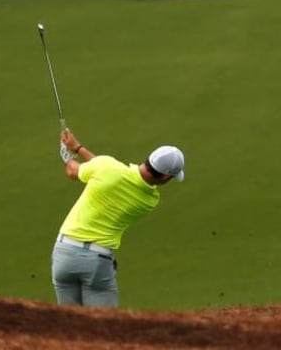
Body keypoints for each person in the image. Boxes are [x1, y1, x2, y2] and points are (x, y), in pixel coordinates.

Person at [51, 128, 185, 308]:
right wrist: (78, 148)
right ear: (166, 176)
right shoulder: (150, 200)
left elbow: (77, 171)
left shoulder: (107, 166)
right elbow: (106, 173)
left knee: (68, 322)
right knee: (104, 326)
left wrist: (68, 155)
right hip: (96, 262)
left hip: (63, 254)